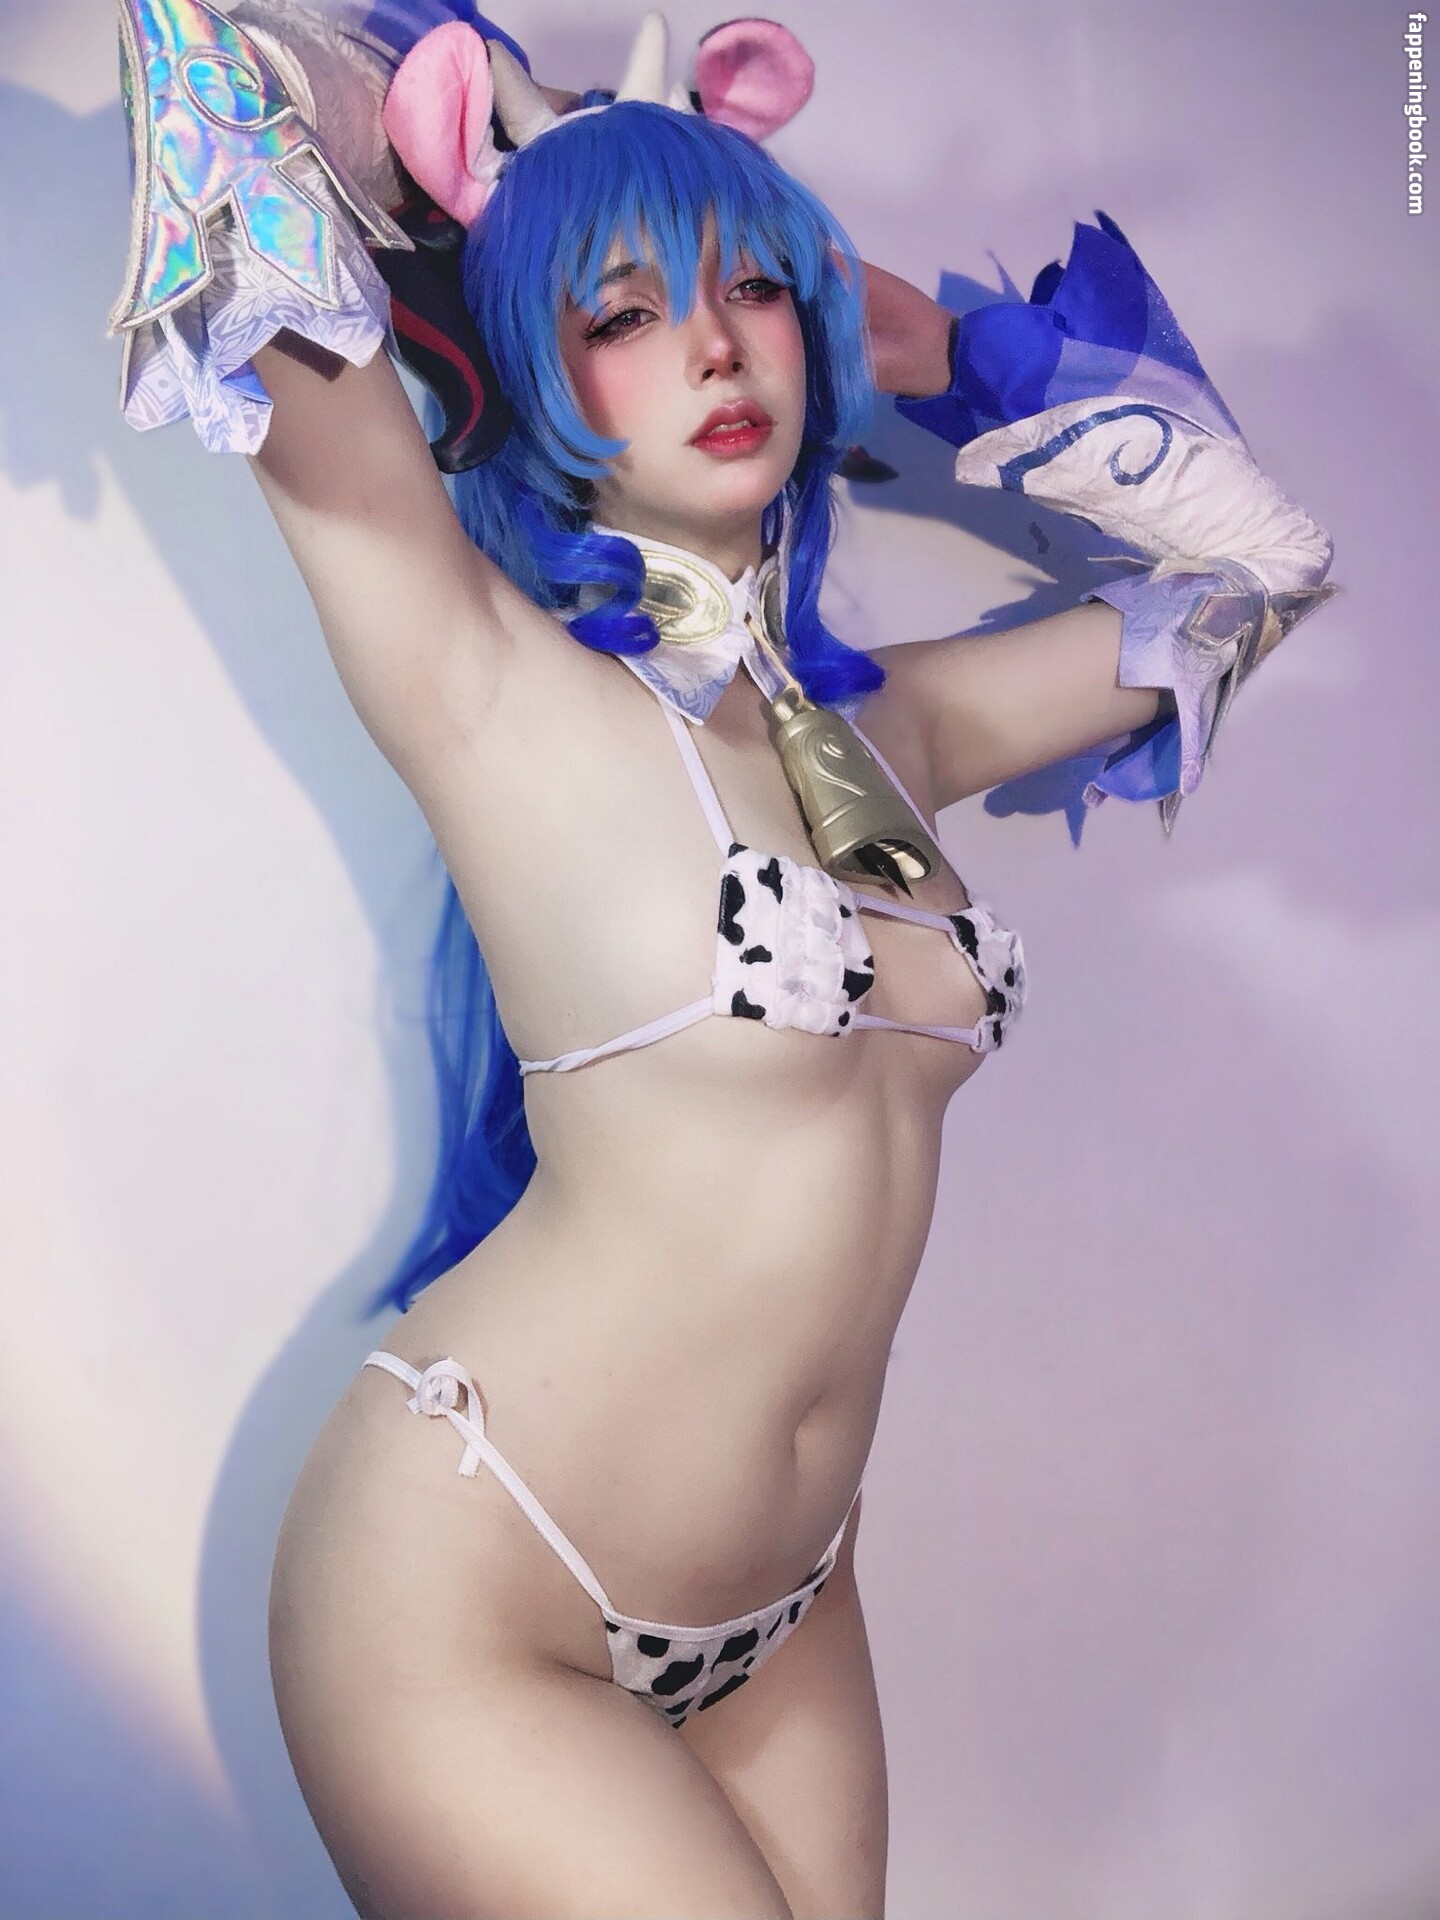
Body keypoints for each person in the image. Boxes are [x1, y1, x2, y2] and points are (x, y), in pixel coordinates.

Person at [109, 4, 1334, 1914]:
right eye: (623, 312)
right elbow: (204, 62)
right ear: (534, 365)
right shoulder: (484, 680)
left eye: (754, 290)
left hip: (791, 1602)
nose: (713, 345)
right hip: (472, 1586)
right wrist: (521, 151)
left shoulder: (903, 729)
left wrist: (929, 343)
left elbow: (1257, 570)